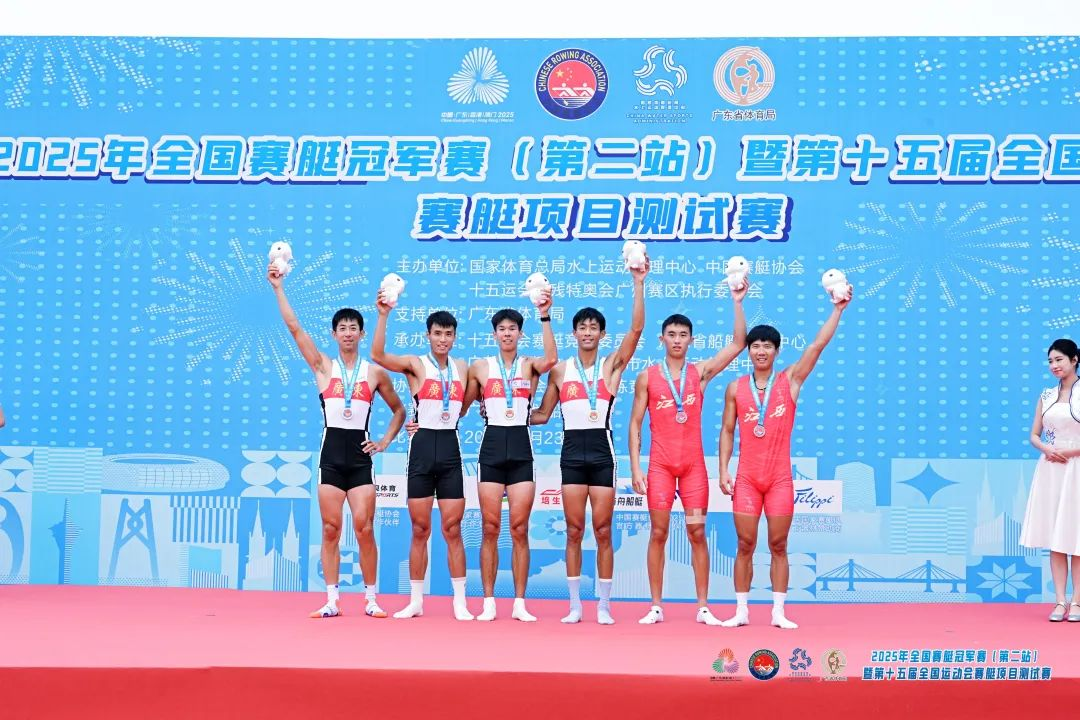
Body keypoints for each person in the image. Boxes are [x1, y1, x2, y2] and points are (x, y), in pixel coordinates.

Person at [269, 263, 405, 619]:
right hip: (331, 456)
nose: (347, 333)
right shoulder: (322, 367)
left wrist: (384, 442)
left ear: (361, 334)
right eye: (342, 328)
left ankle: (371, 599)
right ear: (333, 334)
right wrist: (278, 288)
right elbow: (295, 328)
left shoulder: (374, 373)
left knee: (364, 527)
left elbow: (399, 411)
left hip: (360, 458)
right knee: (331, 529)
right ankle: (331, 599)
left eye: (353, 328)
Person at [718, 286, 852, 629]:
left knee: (778, 544)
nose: (761, 351)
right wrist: (723, 470)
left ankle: (778, 612)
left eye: (767, 346)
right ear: (749, 351)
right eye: (755, 346)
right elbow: (728, 431)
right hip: (747, 479)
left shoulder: (790, 381)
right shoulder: (735, 388)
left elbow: (816, 346)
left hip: (778, 479)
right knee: (745, 544)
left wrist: (837, 310)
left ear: (776, 351)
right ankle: (741, 611)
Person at [530, 259, 649, 624]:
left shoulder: (611, 366)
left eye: (593, 328)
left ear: (601, 334)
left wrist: (638, 283)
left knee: (602, 530)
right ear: (574, 333)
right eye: (582, 327)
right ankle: (574, 605)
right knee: (573, 530)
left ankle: (604, 605)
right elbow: (542, 414)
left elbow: (636, 330)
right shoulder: (560, 370)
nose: (587, 332)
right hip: (571, 452)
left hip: (602, 452)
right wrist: (502, 410)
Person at [628, 284, 747, 626]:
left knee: (697, 533)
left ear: (691, 340)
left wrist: (737, 302)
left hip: (693, 468)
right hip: (660, 468)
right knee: (658, 533)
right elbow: (635, 424)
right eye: (671, 334)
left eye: (683, 335)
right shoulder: (647, 377)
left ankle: (703, 606)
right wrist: (636, 468)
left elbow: (738, 343)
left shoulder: (701, 373)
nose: (677, 340)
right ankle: (655, 605)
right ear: (661, 339)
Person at [371, 295, 473, 621]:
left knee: (453, 528)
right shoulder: (416, 365)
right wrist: (383, 315)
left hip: (450, 448)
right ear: (428, 335)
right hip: (422, 449)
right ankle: (415, 601)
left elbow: (466, 403)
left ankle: (460, 602)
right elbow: (377, 355)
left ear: (454, 337)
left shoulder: (463, 368)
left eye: (448, 334)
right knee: (419, 528)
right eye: (437, 334)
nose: (443, 340)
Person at [460, 298, 558, 622]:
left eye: (512, 329)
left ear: (520, 334)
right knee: (490, 528)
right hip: (491, 449)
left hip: (520, 450)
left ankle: (519, 603)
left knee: (519, 528)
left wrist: (544, 315)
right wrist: (426, 420)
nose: (507, 334)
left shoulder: (529, 365)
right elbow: (461, 406)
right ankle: (488, 601)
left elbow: (552, 359)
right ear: (494, 334)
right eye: (501, 329)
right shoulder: (480, 367)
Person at [1020, 338, 1080, 622]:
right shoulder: (1046, 395)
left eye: (1059, 360)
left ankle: (1077, 602)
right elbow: (1034, 434)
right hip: (1051, 468)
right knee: (1056, 537)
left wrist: (1069, 452)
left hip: (1076, 467)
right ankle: (1059, 601)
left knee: (1076, 536)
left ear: (1074, 360)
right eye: (1050, 361)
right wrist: (1046, 448)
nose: (1054, 365)